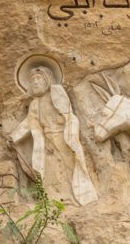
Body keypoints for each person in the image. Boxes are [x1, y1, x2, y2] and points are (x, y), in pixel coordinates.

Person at [10, 68, 98, 205]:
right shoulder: (34, 104)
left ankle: (75, 197)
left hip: (62, 138)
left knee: (68, 166)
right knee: (51, 171)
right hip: (46, 142)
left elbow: (66, 113)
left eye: (38, 79)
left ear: (47, 79)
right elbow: (28, 123)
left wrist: (66, 126)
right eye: (32, 80)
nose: (35, 83)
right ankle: (55, 199)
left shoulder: (56, 92)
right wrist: (14, 136)